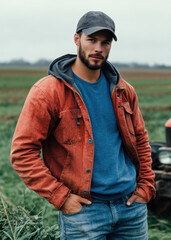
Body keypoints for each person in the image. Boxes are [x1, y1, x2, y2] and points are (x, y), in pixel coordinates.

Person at [10, 11, 155, 239]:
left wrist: (146, 186)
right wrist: (61, 197)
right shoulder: (48, 92)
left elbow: (141, 141)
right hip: (85, 212)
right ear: (77, 39)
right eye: (92, 40)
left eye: (105, 42)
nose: (98, 48)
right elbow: (22, 153)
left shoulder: (124, 91)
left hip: (131, 208)